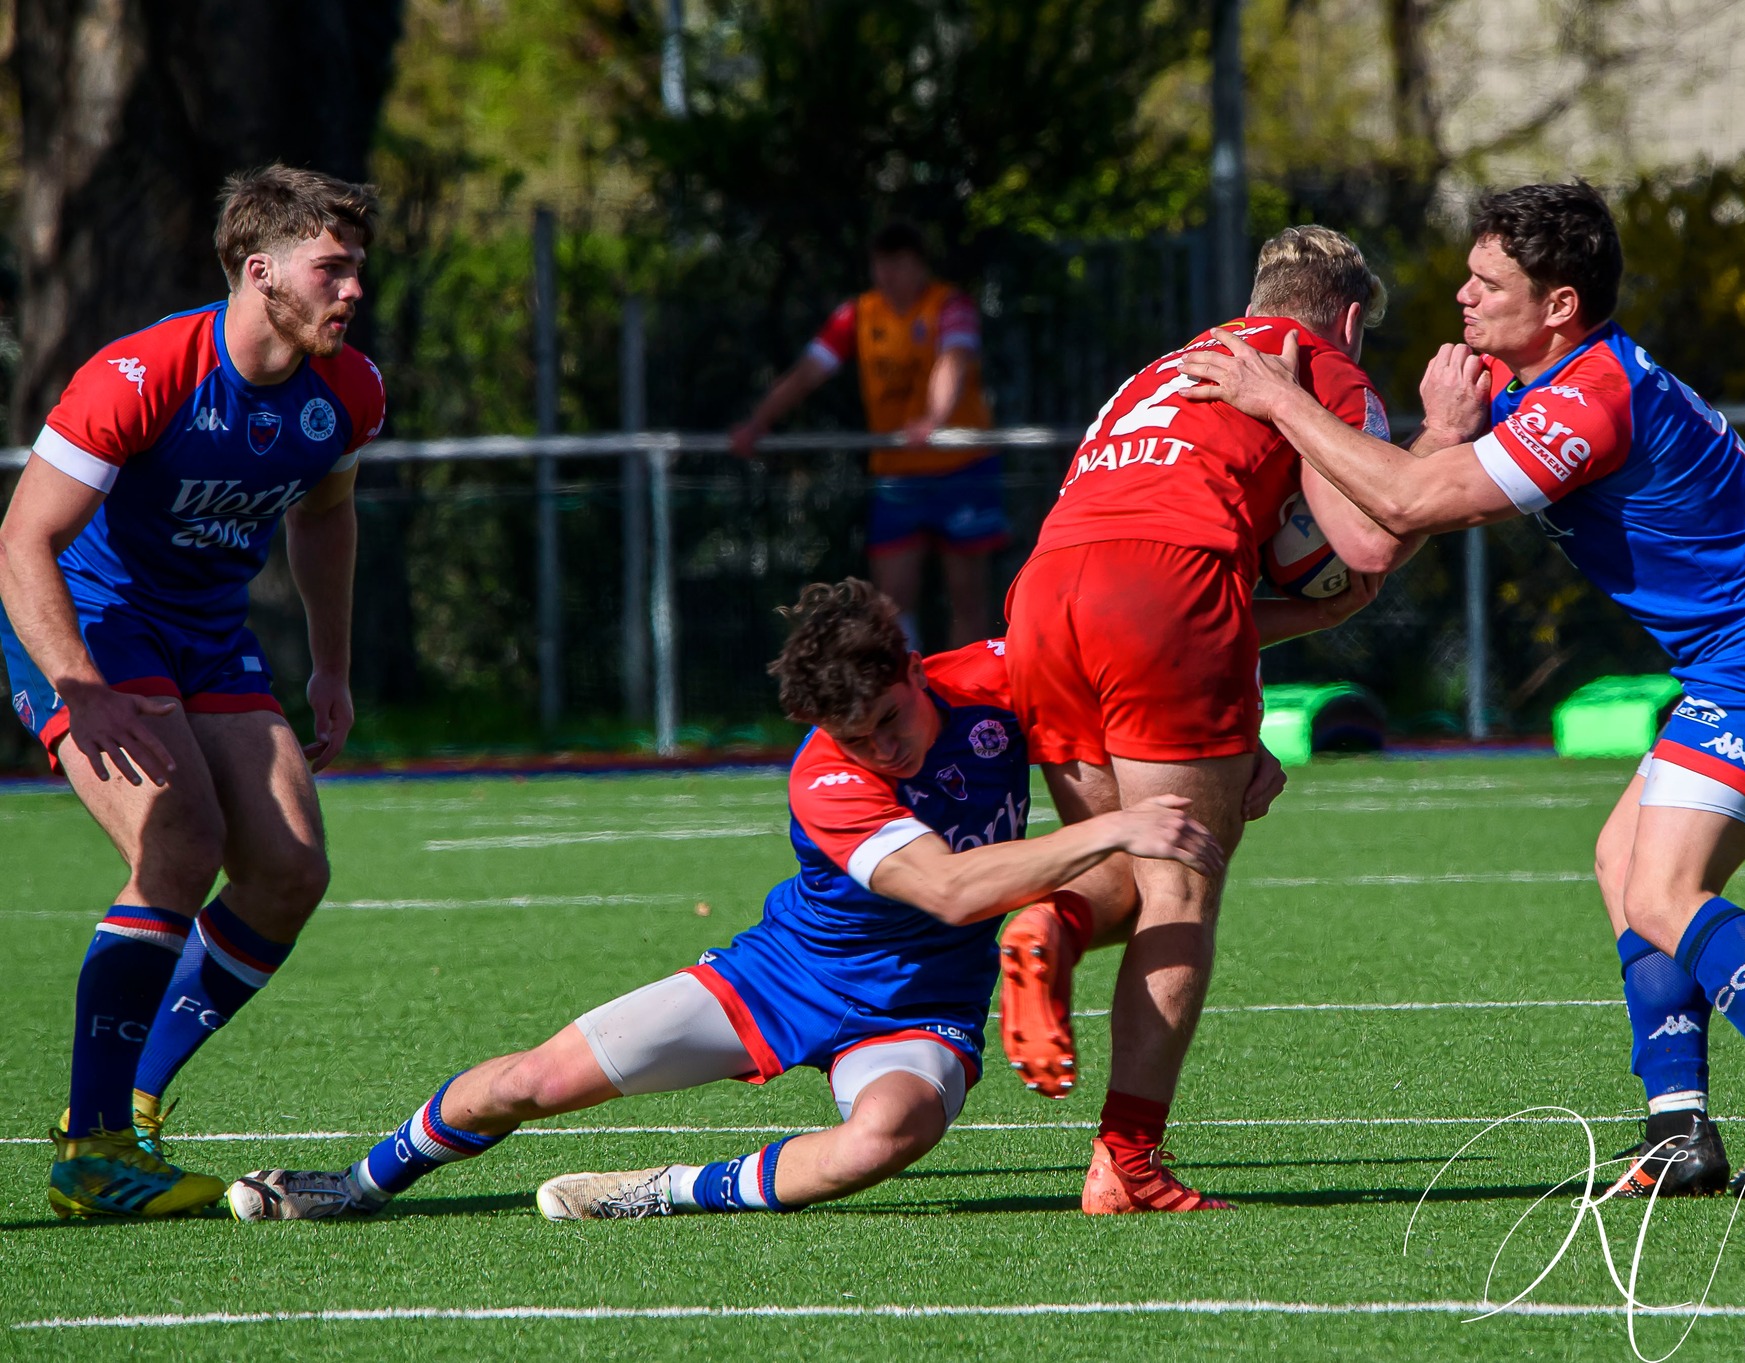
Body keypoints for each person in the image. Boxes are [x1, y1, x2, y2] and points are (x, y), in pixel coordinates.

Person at [1178, 181, 1745, 1200]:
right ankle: (1677, 1129)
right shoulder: (1553, 386)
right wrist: (1439, 428)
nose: (1463, 299)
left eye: (1487, 282)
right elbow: (1410, 507)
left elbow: (1403, 500)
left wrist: (1276, 398)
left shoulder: (1585, 398)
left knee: (1660, 888)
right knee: (1622, 864)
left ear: (1557, 304)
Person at [227, 580, 1224, 1222]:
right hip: (782, 976)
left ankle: (663, 1191)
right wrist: (1111, 827)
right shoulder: (825, 781)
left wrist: (1235, 742)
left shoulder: (997, 680)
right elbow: (957, 891)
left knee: (891, 1132)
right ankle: (356, 1184)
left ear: (915, 669)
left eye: (886, 719)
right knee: (527, 1081)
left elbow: (1142, 653)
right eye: (853, 735)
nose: (880, 747)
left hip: (919, 1007)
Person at [997, 226, 1430, 1214]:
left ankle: (1046, 921)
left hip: (1044, 595)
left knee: (1119, 863)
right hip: (1164, 590)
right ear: (1349, 317)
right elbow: (1369, 533)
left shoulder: (1163, 366)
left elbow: (1158, 525)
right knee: (1180, 888)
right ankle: (1126, 1163)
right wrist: (1437, 442)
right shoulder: (1317, 366)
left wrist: (1283, 639)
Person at [0, 165, 385, 1219]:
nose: (354, 291)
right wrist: (82, 682)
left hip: (208, 634)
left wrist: (333, 664)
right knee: (177, 843)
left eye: (359, 270)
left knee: (290, 869)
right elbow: (22, 538)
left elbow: (322, 517)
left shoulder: (347, 391)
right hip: (92, 622)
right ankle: (92, 1152)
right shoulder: (143, 373)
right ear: (261, 273)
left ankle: (137, 1090)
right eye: (332, 269)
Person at [732, 222, 1003, 652]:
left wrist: (934, 418)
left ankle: (969, 700)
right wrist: (758, 422)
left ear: (919, 265)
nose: (887, 275)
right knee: (892, 600)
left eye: (897, 263)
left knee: (967, 597)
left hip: (961, 468)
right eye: (880, 264)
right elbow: (808, 373)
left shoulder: (950, 305)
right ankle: (912, 697)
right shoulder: (858, 315)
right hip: (897, 473)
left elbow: (952, 361)